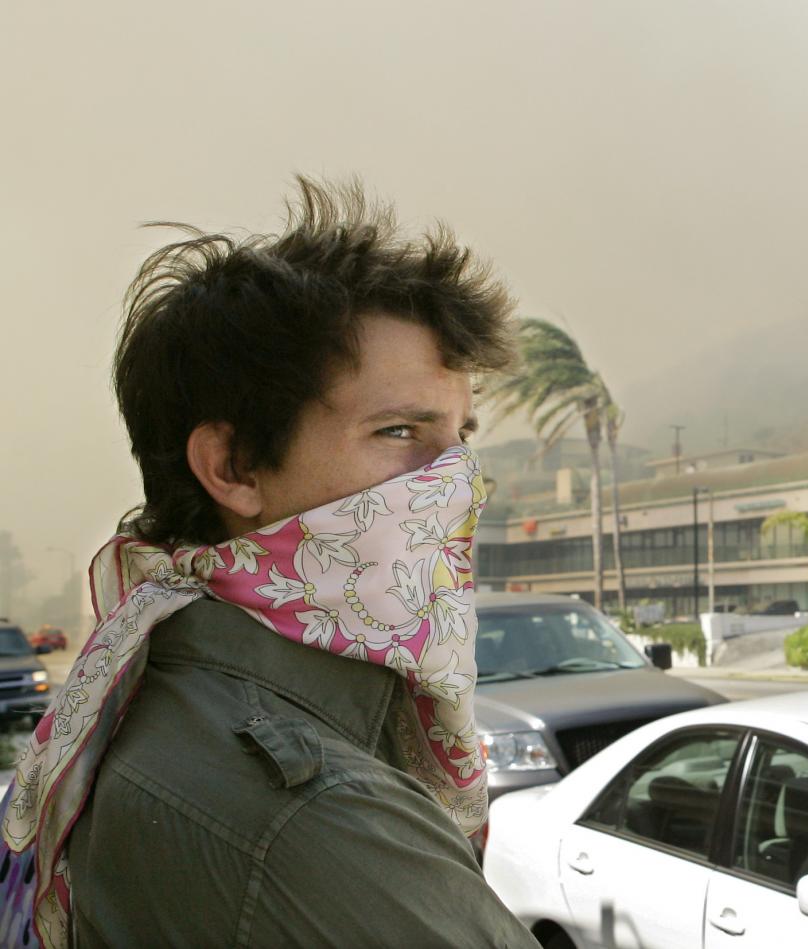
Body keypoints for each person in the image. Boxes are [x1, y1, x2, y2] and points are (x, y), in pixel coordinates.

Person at [0, 179, 540, 947]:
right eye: (397, 431)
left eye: (461, 434)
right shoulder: (310, 818)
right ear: (235, 466)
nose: (455, 481)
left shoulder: (156, 683)